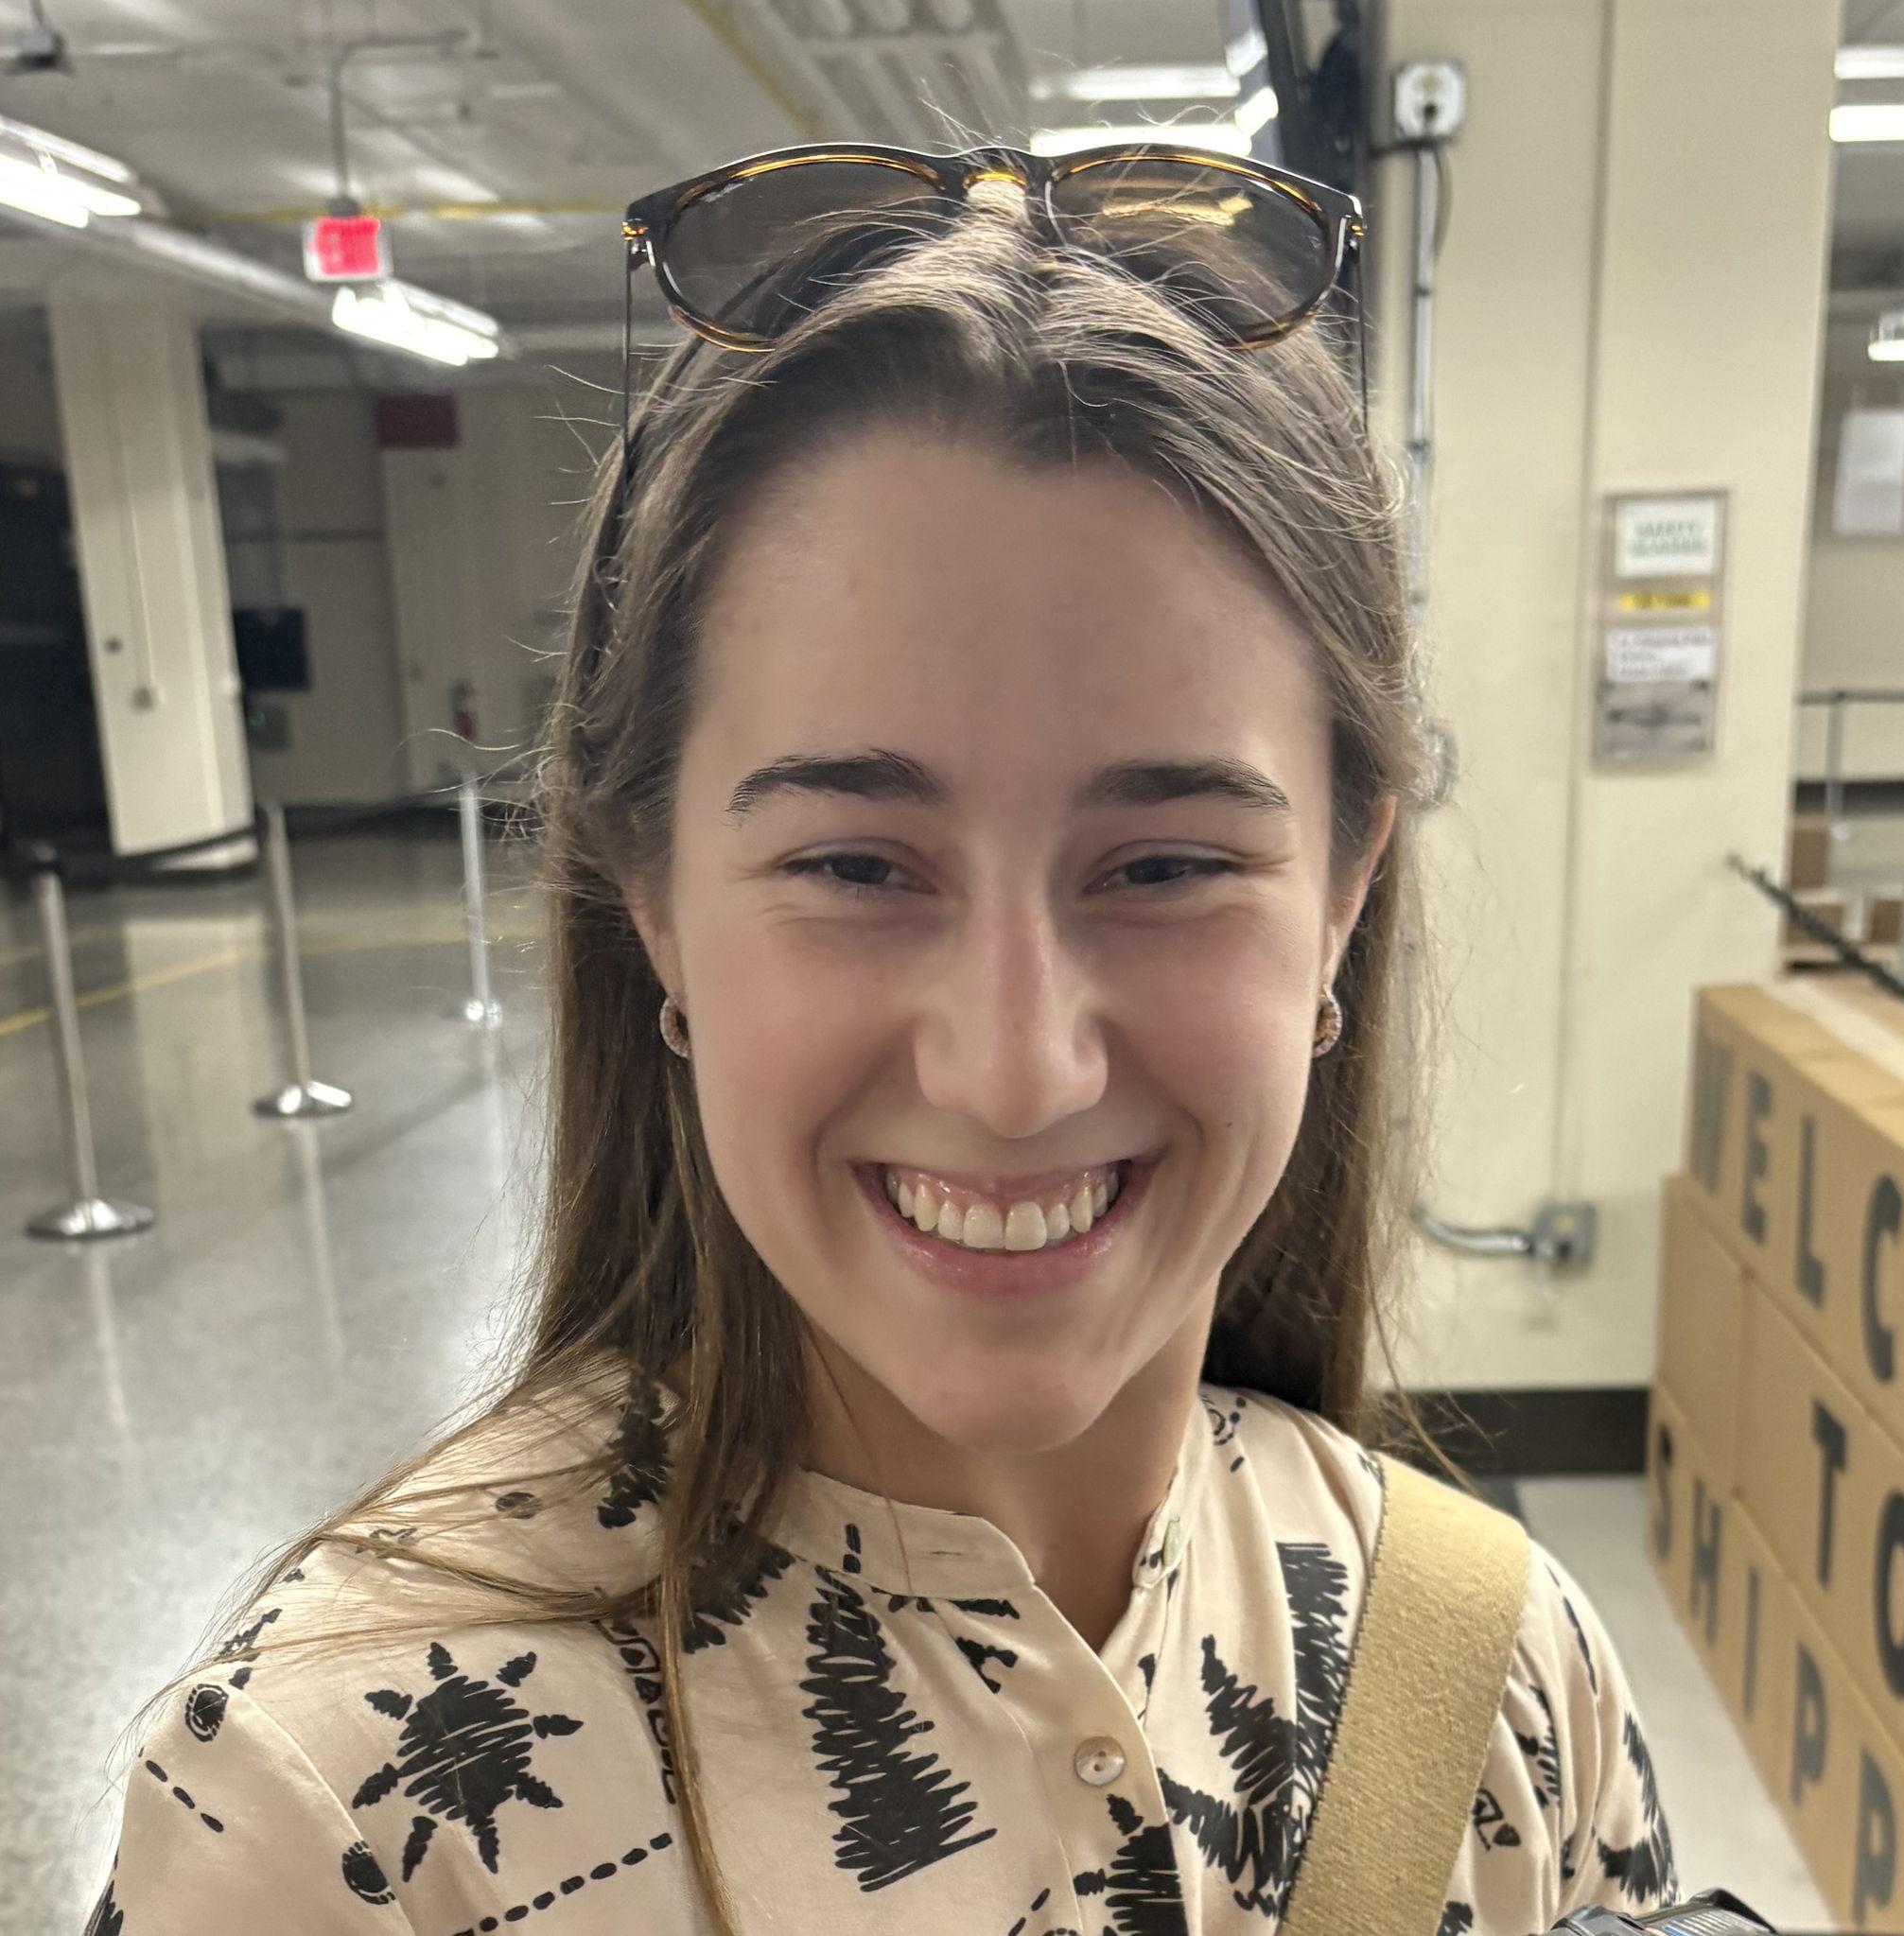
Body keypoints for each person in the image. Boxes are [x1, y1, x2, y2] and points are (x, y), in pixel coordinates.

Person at [84, 148, 1677, 1936]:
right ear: (652, 900)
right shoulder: (338, 1815)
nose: (1016, 1069)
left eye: (1165, 866)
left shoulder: (1506, 1677)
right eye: (855, 865)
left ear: (1343, 896)